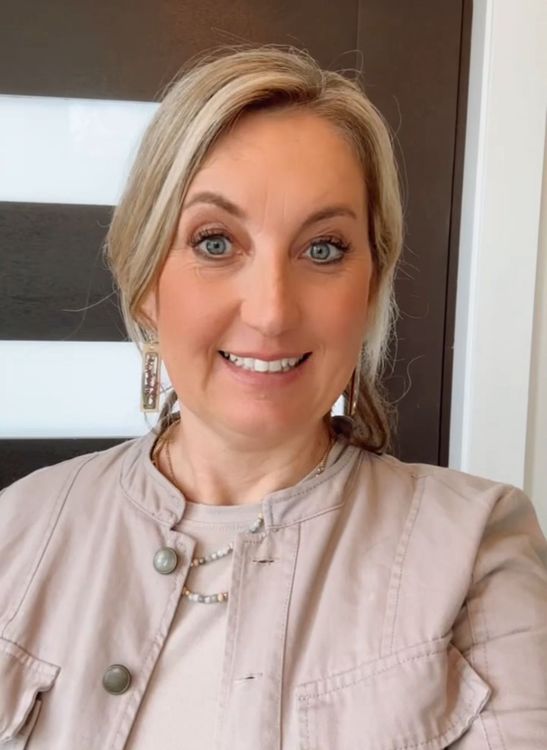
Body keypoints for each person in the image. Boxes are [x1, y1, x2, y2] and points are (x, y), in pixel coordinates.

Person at [1, 45, 546, 750]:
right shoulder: (17, 531)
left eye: (322, 249)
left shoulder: (474, 552)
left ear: (370, 288)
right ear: (144, 284)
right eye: (215, 241)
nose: (270, 312)